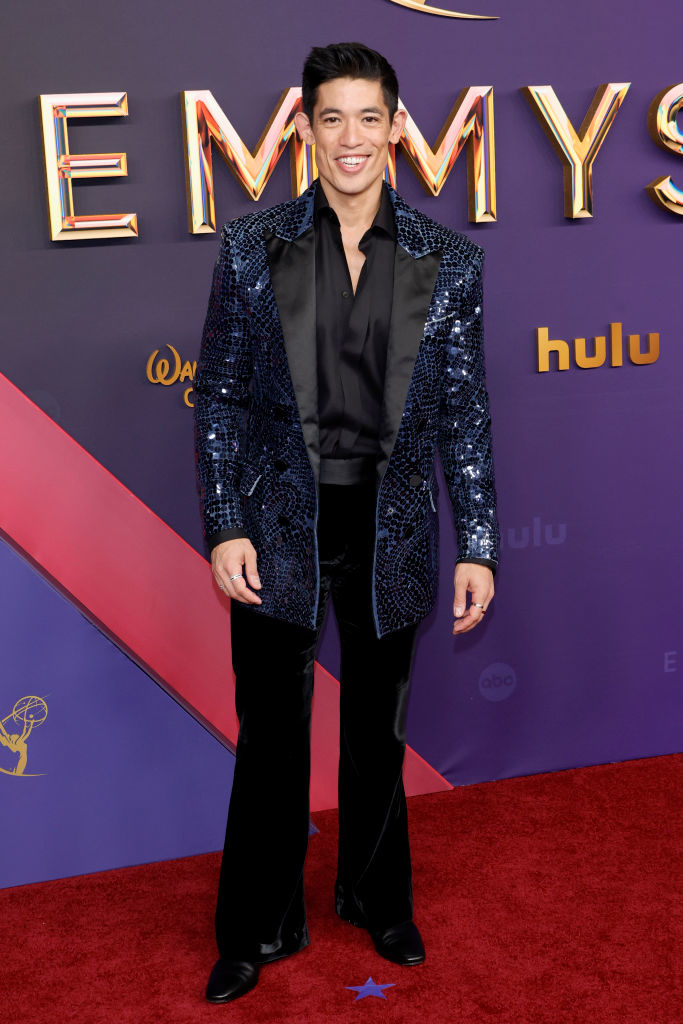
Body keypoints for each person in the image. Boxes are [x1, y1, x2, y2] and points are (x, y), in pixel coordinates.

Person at [193, 41, 499, 1005]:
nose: (352, 138)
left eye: (370, 118)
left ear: (397, 130)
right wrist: (224, 524)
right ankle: (257, 923)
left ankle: (376, 898)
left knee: (378, 729)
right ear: (305, 128)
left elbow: (463, 409)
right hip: (278, 524)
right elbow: (222, 402)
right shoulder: (251, 248)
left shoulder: (448, 260)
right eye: (333, 118)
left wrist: (479, 542)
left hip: (392, 524)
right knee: (272, 735)